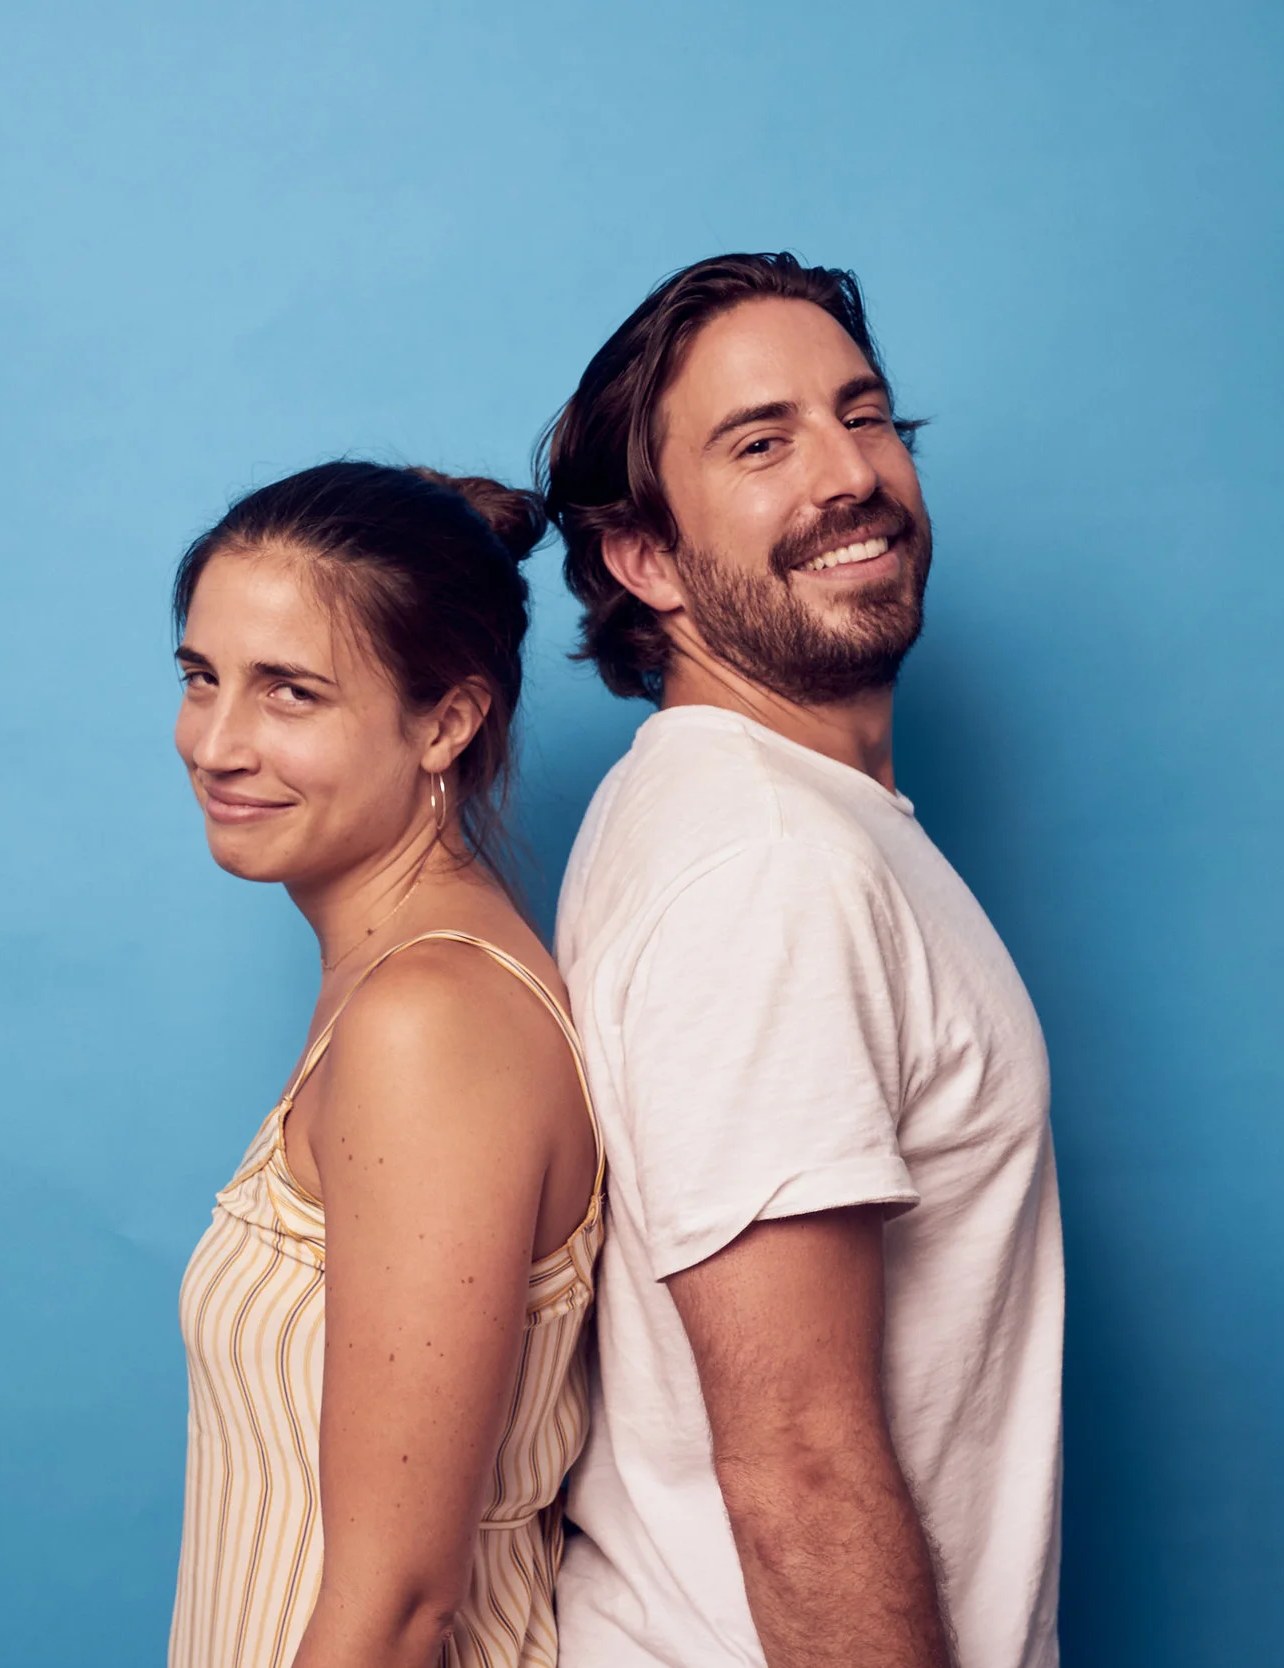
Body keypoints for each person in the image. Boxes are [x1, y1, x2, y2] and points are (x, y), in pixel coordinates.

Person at [539, 253, 1064, 1668]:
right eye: (761, 444)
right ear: (645, 560)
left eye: (864, 414)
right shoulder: (767, 865)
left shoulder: (752, 809)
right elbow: (798, 1465)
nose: (849, 474)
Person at [165, 460, 605, 1668]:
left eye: (290, 693)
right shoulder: (389, 986)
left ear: (446, 723)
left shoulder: (432, 1021)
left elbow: (404, 1602)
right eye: (202, 678)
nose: (217, 744)